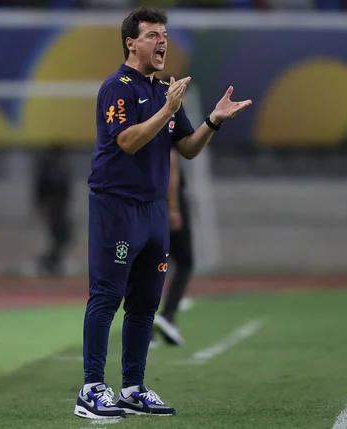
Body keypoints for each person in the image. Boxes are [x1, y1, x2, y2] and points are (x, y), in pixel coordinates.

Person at [74, 6, 252, 420]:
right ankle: (90, 389)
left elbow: (187, 148)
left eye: (164, 35)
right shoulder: (117, 88)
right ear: (131, 43)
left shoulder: (162, 91)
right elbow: (129, 142)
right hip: (116, 206)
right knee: (106, 295)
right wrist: (167, 111)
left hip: (152, 209)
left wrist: (212, 121)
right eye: (152, 34)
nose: (162, 41)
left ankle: (133, 388)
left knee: (144, 304)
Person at [152, 148, 194, 346]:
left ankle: (143, 327)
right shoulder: (166, 122)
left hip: (146, 204)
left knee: (149, 265)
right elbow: (171, 161)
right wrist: (174, 207)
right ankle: (167, 315)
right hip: (166, 204)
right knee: (185, 262)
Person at [33, 143, 73, 276]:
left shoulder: (62, 167)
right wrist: (40, 204)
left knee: (65, 236)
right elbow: (40, 186)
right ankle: (48, 261)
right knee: (60, 236)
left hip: (61, 206)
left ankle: (51, 261)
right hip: (52, 205)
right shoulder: (49, 166)